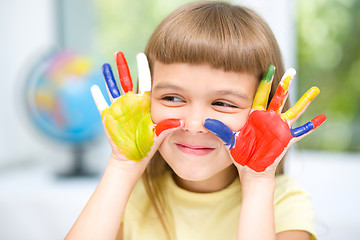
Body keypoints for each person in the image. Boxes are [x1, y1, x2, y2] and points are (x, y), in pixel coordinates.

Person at [66, 1, 326, 239]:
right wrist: (122, 166)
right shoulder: (131, 195)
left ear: (267, 110)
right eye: (172, 98)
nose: (193, 124)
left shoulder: (284, 203)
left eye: (223, 103)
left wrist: (257, 182)